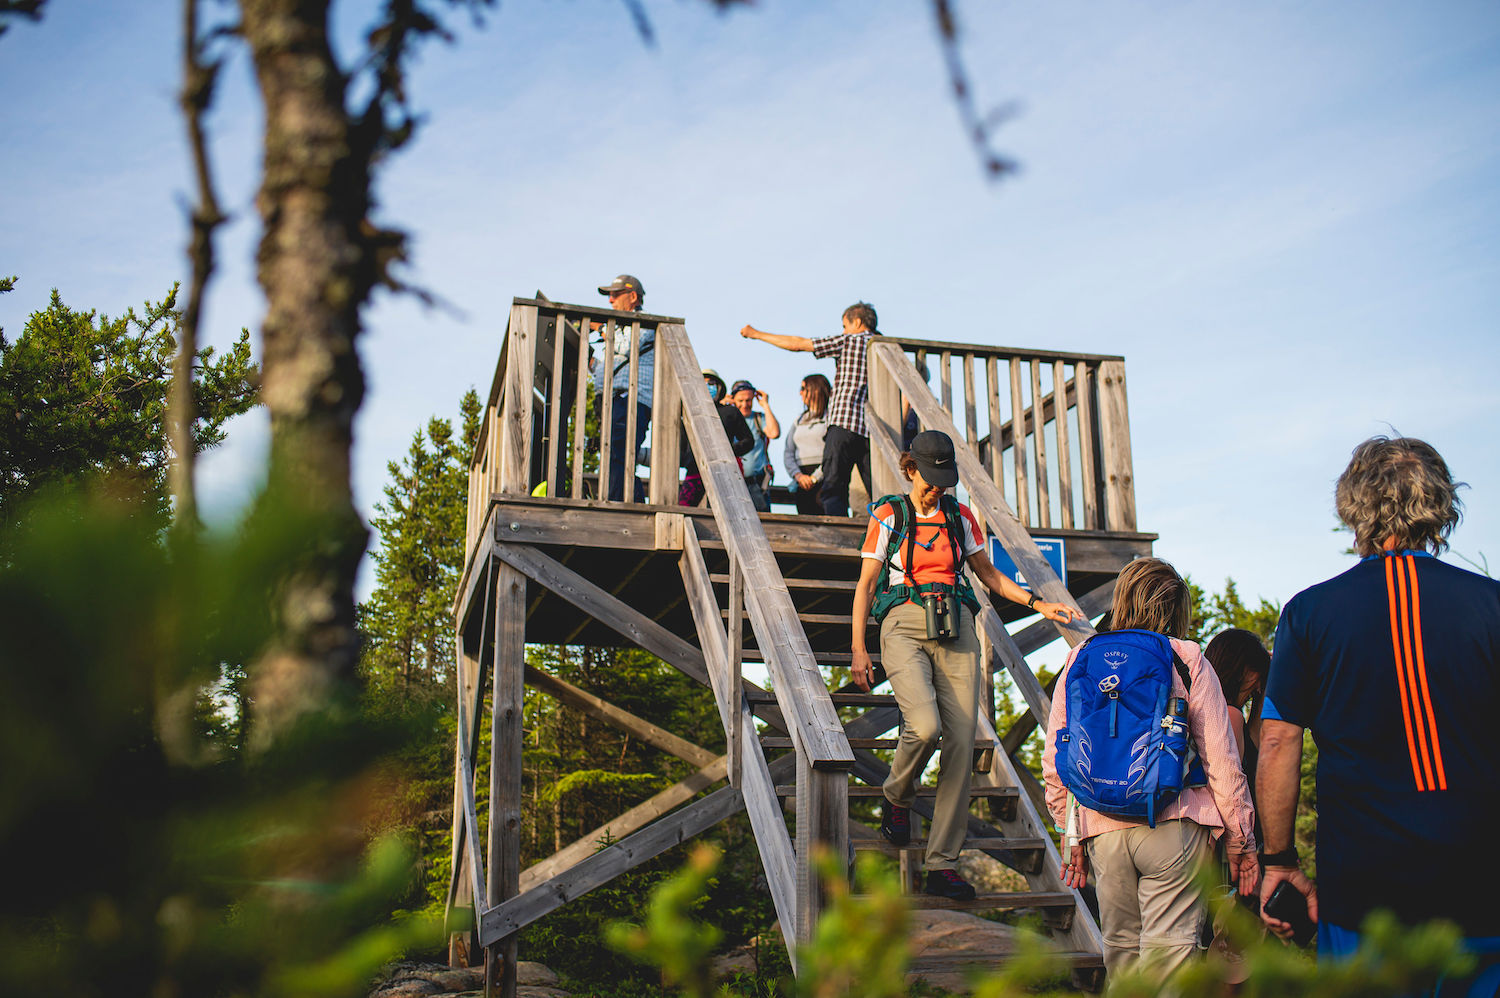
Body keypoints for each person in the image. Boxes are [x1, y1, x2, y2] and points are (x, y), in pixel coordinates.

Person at [1257, 437, 1500, 970]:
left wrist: (1278, 861)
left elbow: (1277, 740)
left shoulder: (1309, 613)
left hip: (1364, 892)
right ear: (1442, 505)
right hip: (1483, 886)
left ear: (1352, 507)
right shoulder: (1493, 604)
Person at [851, 430, 1080, 900]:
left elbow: (989, 575)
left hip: (956, 627)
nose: (937, 488)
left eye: (943, 480)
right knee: (924, 724)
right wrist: (859, 648)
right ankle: (896, 795)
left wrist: (1039, 604)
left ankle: (942, 863)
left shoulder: (960, 518)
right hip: (903, 624)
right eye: (929, 478)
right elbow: (866, 583)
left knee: (959, 743)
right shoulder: (889, 513)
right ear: (909, 467)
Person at [1042, 558, 1258, 980]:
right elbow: (1222, 762)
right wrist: (1241, 840)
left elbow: (1056, 761)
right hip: (1173, 824)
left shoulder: (1080, 657)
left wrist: (1072, 835)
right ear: (1175, 609)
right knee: (1169, 962)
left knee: (1121, 959)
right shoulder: (1186, 657)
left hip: (1103, 828)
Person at [741, 302, 877, 516]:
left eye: (844, 325)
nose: (843, 330)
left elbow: (798, 344)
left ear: (857, 322)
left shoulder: (850, 340)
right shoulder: (883, 346)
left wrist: (757, 334)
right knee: (876, 489)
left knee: (833, 487)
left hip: (843, 421)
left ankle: (837, 534)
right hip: (870, 430)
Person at [591, 275, 651, 502]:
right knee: (615, 452)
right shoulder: (620, 330)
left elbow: (626, 347)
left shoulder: (644, 322)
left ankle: (619, 502)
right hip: (617, 400)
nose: (610, 301)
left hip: (632, 400)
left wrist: (601, 330)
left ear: (633, 297)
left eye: (615, 295)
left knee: (619, 452)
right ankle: (625, 501)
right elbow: (613, 365)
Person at [679, 369, 754, 507]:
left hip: (724, 469)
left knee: (728, 508)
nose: (708, 386)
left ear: (718, 388)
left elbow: (749, 441)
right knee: (684, 507)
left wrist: (727, 451)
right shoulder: (688, 413)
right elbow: (682, 444)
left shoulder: (730, 412)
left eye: (711, 383)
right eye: (704, 383)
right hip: (695, 469)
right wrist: (686, 459)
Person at [784, 373, 832, 515]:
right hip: (801, 480)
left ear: (815, 389)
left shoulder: (831, 418)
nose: (800, 392)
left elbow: (833, 453)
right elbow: (788, 451)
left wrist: (815, 477)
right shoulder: (799, 420)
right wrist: (798, 476)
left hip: (823, 479)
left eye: (803, 388)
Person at [728, 379, 779, 512]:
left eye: (749, 400)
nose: (745, 405)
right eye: (740, 401)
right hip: (731, 483)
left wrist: (765, 405)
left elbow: (774, 433)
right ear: (733, 399)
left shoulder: (758, 418)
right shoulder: (728, 419)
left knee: (763, 525)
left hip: (757, 484)